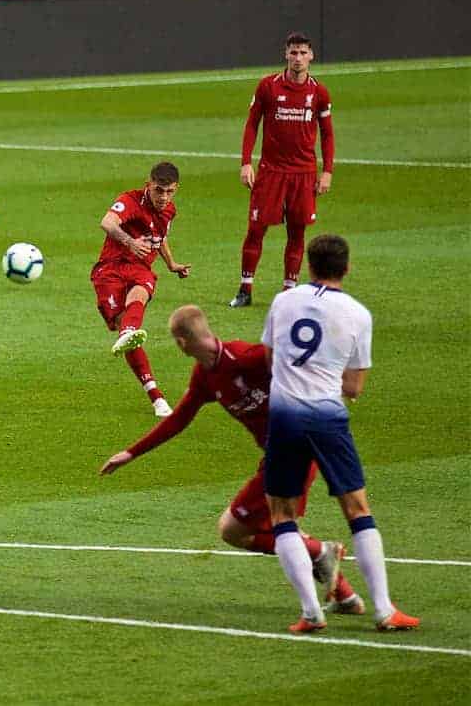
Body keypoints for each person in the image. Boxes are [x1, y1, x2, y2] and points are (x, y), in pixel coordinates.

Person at [100, 305, 363, 615]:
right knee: (266, 528)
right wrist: (131, 453)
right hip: (279, 456)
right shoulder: (205, 376)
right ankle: (345, 596)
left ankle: (321, 557)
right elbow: (179, 419)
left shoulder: (247, 358)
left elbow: (299, 369)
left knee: (235, 529)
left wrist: (337, 390)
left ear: (182, 342)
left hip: (296, 450)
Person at [261, 234, 418, 632]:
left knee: (282, 514)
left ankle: (311, 613)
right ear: (346, 268)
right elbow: (353, 388)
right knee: (357, 509)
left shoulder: (284, 301)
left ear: (309, 266)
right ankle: (384, 610)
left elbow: (269, 358)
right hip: (328, 417)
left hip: (282, 416)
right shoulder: (358, 314)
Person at [230, 32, 334, 308]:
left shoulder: (319, 92)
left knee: (297, 233)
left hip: (303, 173)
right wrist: (245, 162)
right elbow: (252, 124)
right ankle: (245, 289)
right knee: (256, 229)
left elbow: (328, 134)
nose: (298, 58)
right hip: (271, 172)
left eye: (303, 53)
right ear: (285, 54)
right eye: (293, 52)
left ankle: (289, 291)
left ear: (311, 55)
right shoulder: (268, 86)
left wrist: (327, 172)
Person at [91, 162, 191, 418]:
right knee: (121, 326)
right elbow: (107, 222)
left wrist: (171, 264)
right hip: (110, 269)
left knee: (138, 299)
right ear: (149, 184)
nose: (164, 197)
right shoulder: (130, 200)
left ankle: (156, 398)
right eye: (159, 191)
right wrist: (129, 242)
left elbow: (161, 237)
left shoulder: (169, 210)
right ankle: (127, 331)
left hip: (139, 269)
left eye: (169, 192)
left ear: (176, 189)